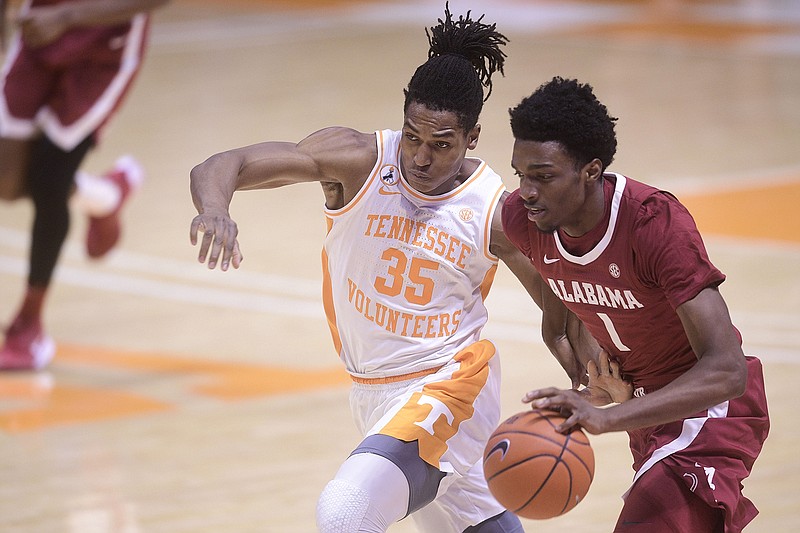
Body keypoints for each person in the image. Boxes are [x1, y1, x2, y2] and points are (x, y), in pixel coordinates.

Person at [188, 6, 621, 532]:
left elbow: (565, 306)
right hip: (373, 391)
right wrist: (215, 210)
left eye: (441, 145)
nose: (420, 158)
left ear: (472, 138)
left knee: (346, 512)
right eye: (413, 137)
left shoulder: (494, 213)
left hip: (450, 385)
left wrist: (589, 376)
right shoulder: (357, 160)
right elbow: (220, 165)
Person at [501, 76, 770, 532]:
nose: (526, 191)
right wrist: (570, 343)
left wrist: (606, 417)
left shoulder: (653, 222)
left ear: (591, 170)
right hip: (646, 411)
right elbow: (568, 285)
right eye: (520, 174)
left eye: (543, 176)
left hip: (709, 413)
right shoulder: (525, 221)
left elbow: (728, 370)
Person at [0, 0, 169, 370]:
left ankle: (28, 327)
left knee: (48, 181)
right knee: (7, 182)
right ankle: (106, 197)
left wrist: (67, 16)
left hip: (105, 46)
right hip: (39, 28)